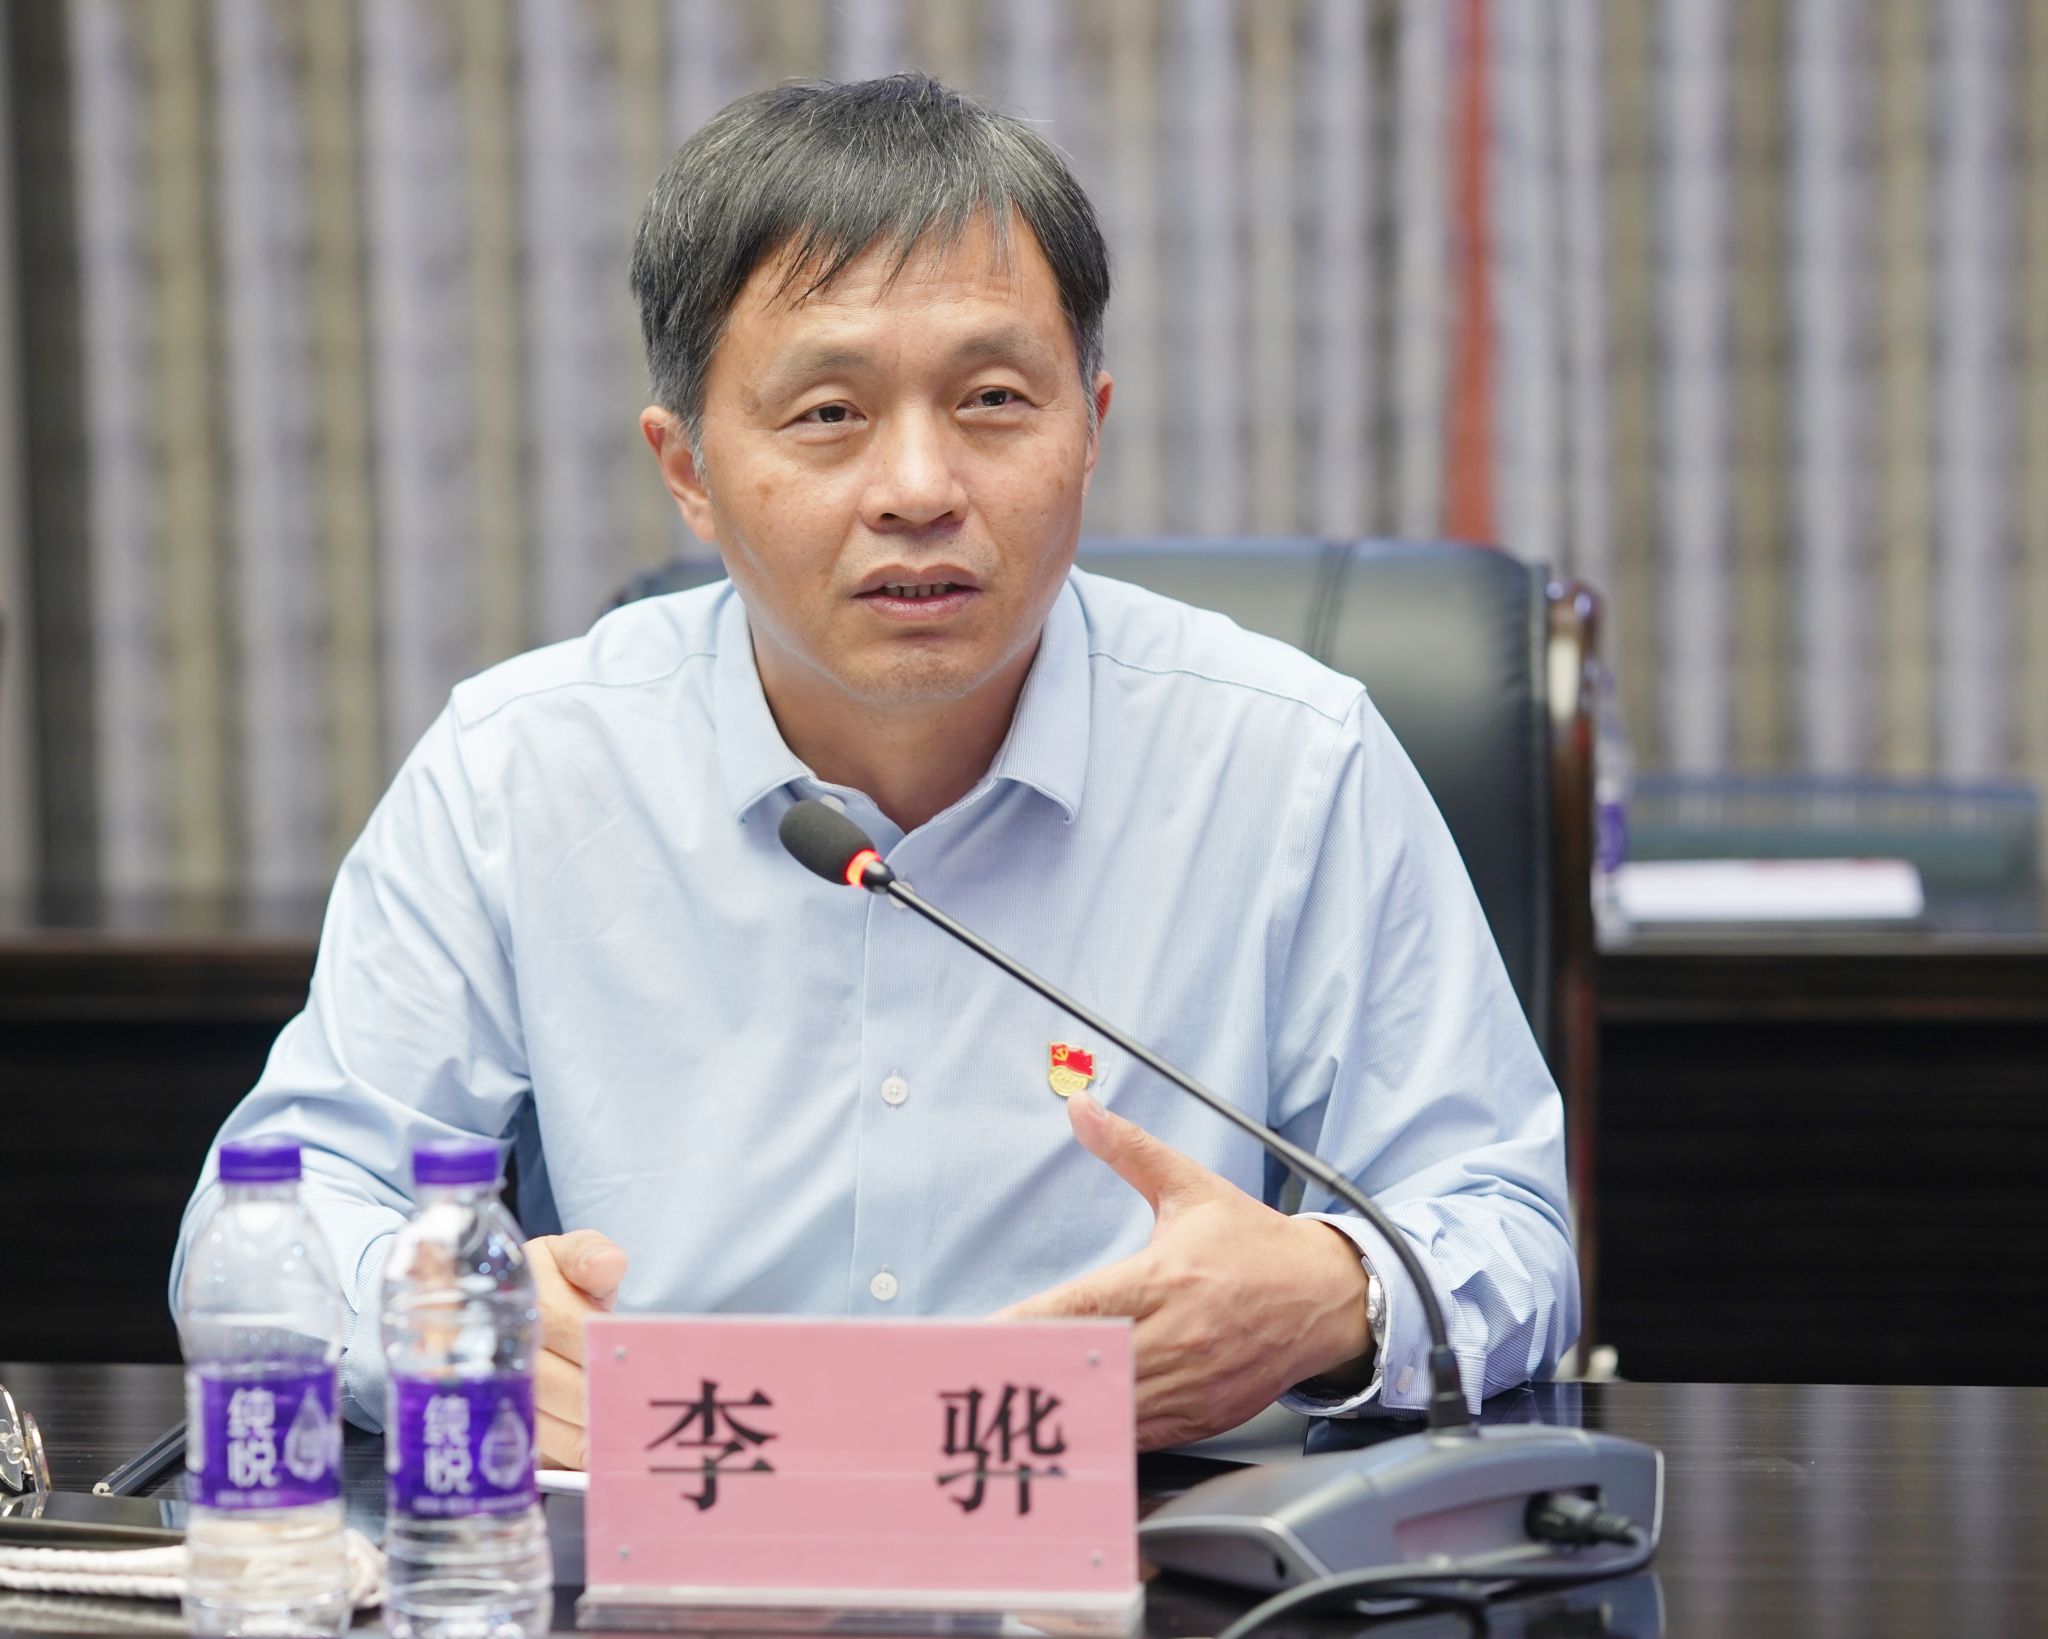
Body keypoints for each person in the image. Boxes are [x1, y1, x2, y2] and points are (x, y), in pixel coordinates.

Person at [172, 74, 1576, 1464]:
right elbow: (273, 1219)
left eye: (993, 399)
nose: (918, 489)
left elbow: (1506, 1227)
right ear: (688, 468)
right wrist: (432, 1317)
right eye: (829, 414)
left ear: (1091, 426)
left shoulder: (1290, 761)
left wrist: (1332, 1292)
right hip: (677, 1533)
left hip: (1155, 1543)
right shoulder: (519, 770)